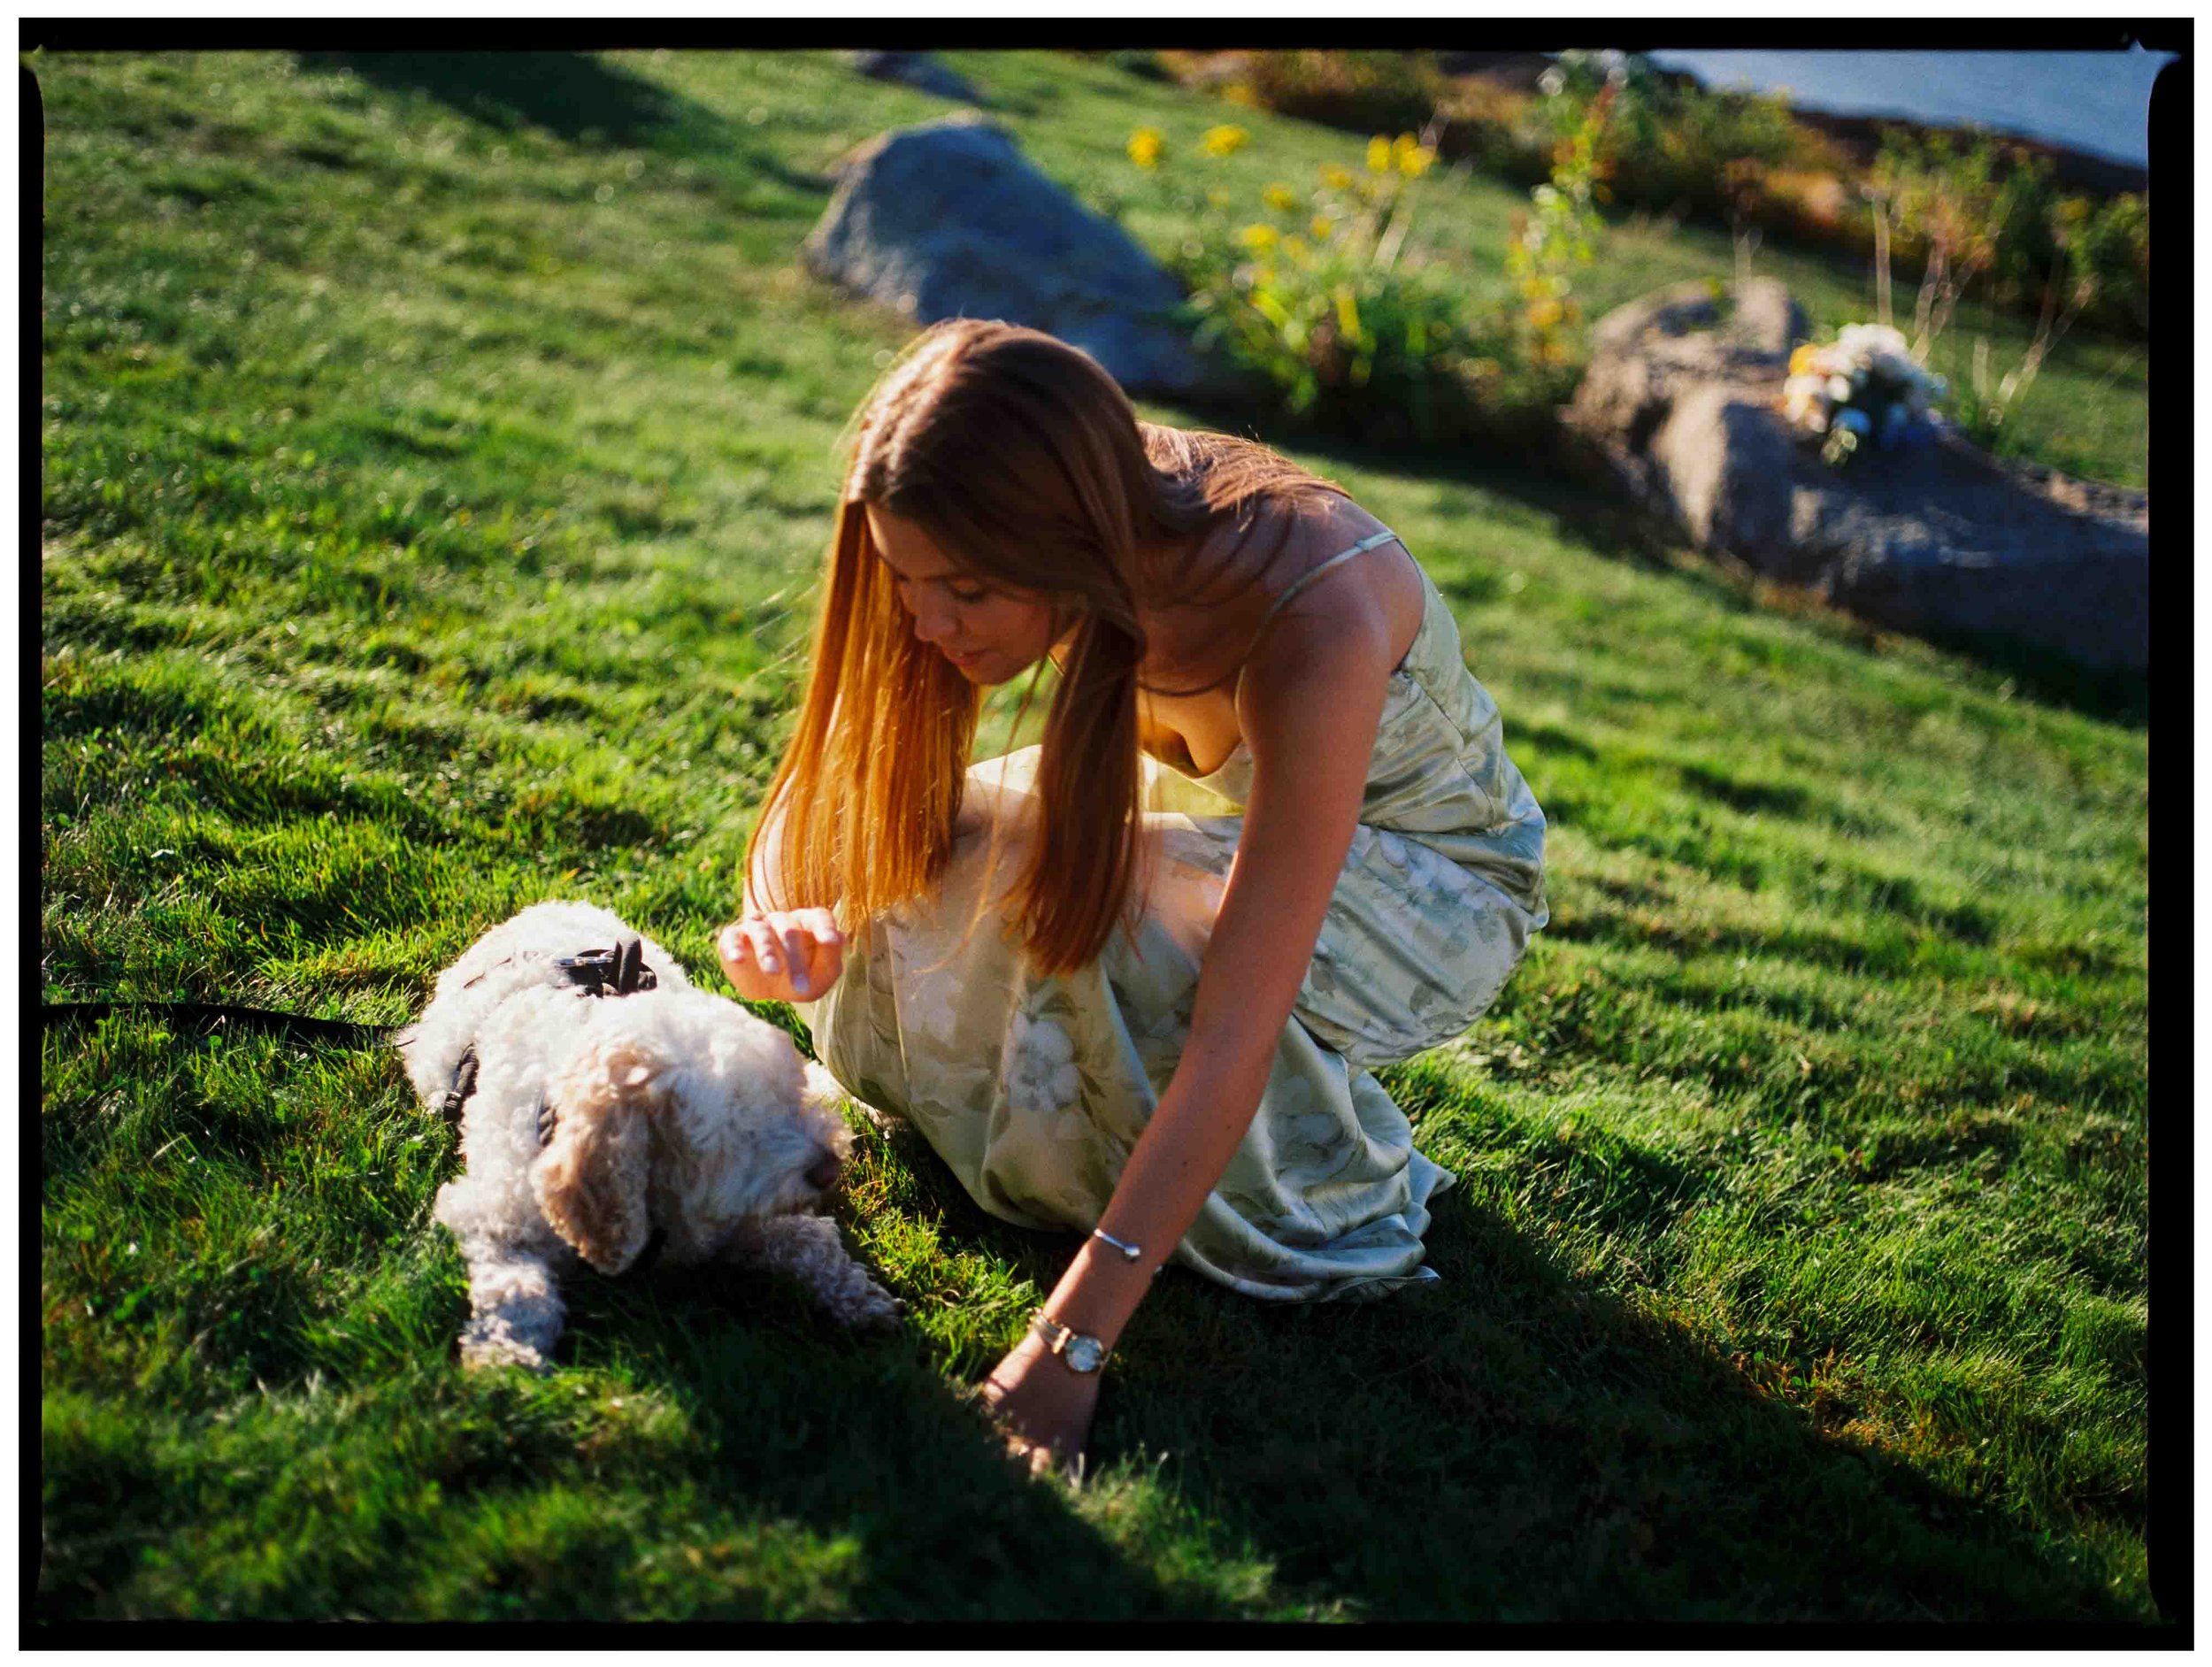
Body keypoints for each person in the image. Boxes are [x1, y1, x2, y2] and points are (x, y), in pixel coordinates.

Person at [718, 319, 1547, 1476]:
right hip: (1206, 813)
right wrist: (796, 919)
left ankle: (1317, 1170)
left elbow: (1234, 1029)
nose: (927, 622)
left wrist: (1068, 1347)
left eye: (965, 590)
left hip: (1427, 887)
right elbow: (854, 781)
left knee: (1064, 887)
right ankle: (1064, 1119)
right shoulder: (1059, 499)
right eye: (908, 582)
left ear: (1071, 548)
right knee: (905, 842)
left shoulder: (1313, 623)